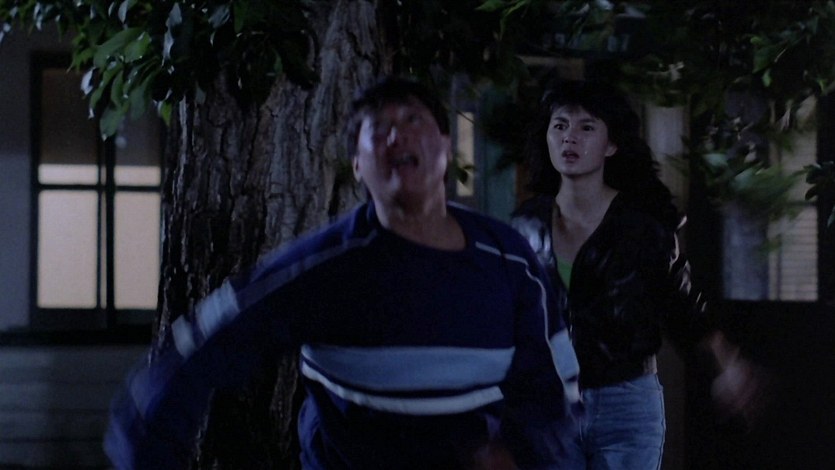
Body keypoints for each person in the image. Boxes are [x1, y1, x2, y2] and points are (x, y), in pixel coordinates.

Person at [103, 76, 581, 470]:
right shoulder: (324, 269)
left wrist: (524, 453)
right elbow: (195, 352)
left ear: (444, 145)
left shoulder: (509, 259)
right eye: (379, 128)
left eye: (412, 120)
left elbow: (556, 386)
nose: (397, 135)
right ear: (357, 165)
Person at [511, 79, 763, 469]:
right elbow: (506, 312)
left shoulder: (641, 227)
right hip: (548, 402)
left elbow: (684, 307)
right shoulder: (526, 225)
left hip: (624, 402)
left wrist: (726, 365)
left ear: (611, 144)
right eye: (559, 126)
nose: (569, 138)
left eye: (586, 127)